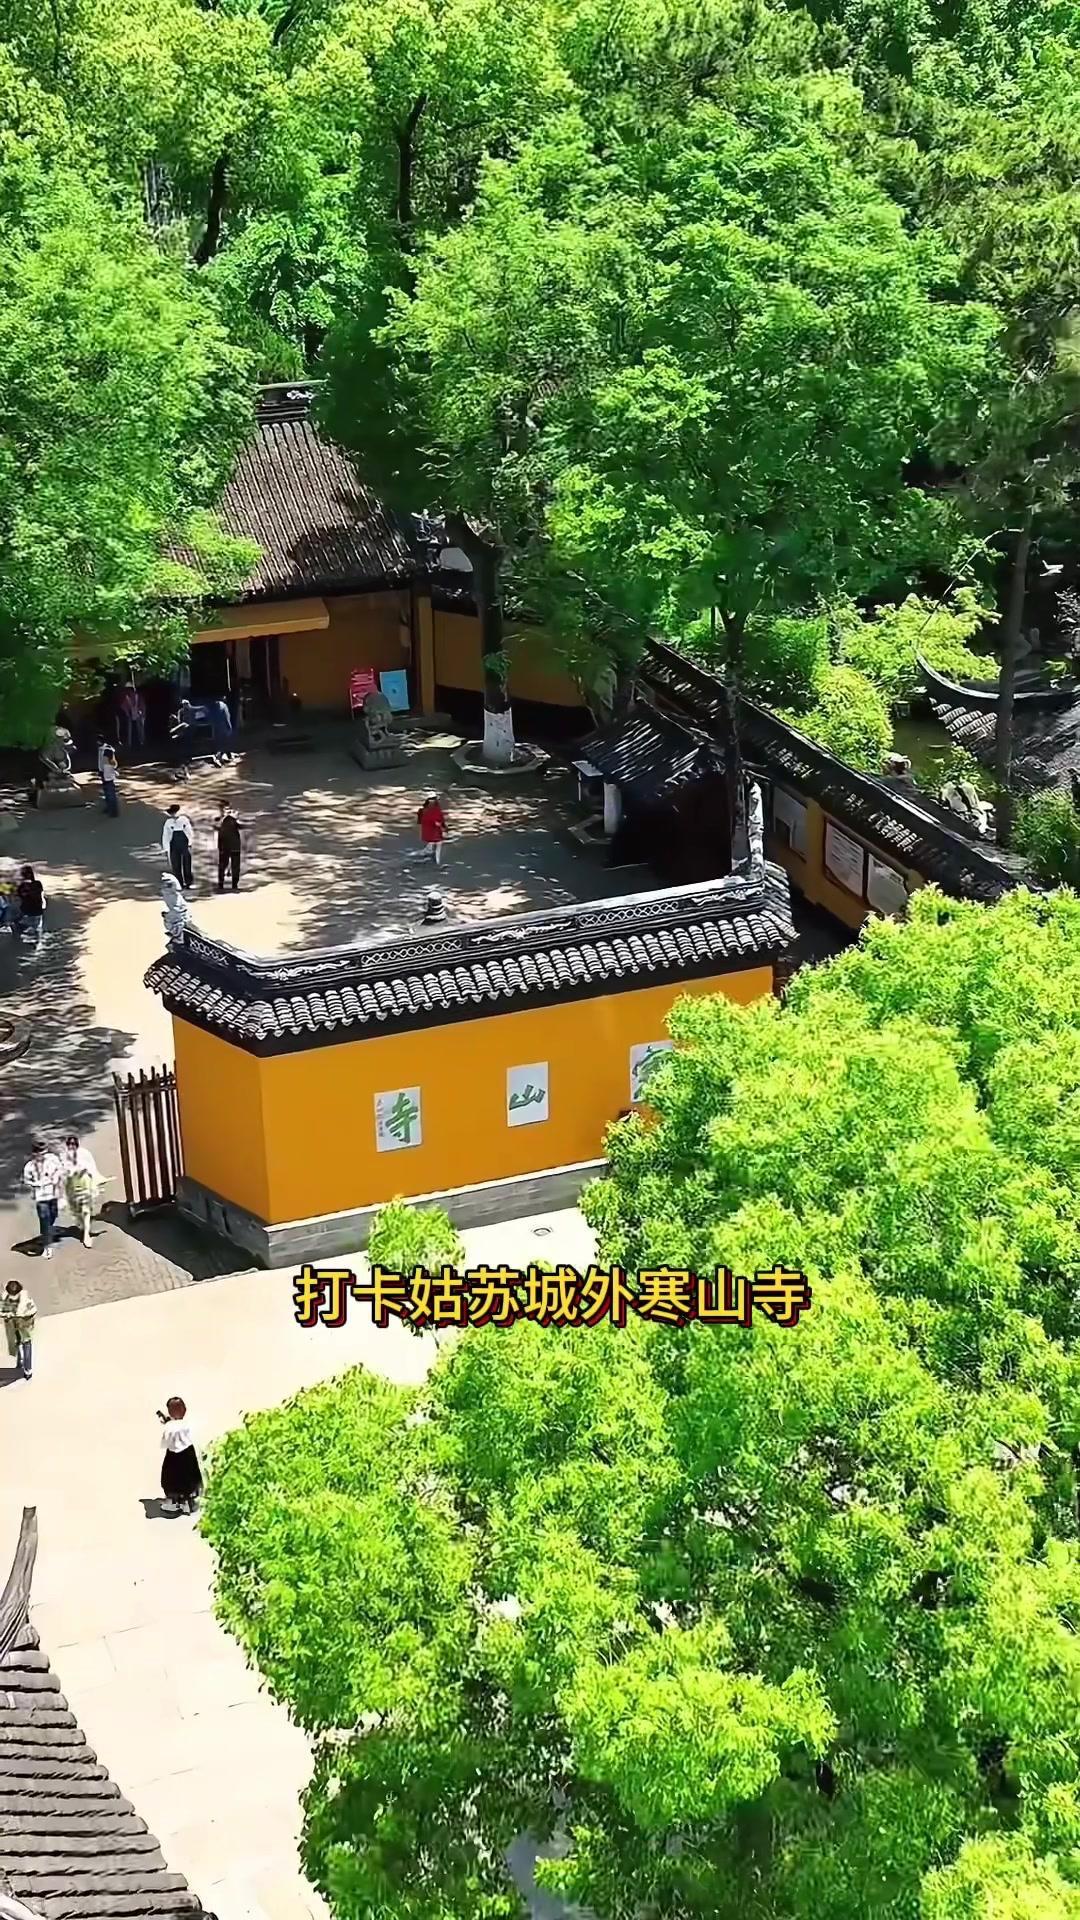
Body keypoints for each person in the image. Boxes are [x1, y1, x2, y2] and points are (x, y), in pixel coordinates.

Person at [157, 1397, 202, 1514]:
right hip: (187, 1453)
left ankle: (174, 1502)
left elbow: (166, 1441)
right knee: (189, 1476)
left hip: (173, 1456)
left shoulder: (169, 1427)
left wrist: (169, 1424)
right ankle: (189, 1502)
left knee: (171, 1478)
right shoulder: (187, 1424)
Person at [23, 1138, 63, 1258]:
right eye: (40, 1154)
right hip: (41, 1197)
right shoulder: (29, 1167)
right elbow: (26, 1180)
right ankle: (47, 1245)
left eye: (44, 1153)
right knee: (44, 1219)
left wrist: (55, 1178)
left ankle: (48, 1231)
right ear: (34, 1153)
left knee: (53, 1215)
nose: (43, 1156)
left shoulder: (52, 1160)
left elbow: (60, 1169)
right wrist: (36, 1184)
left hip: (53, 1194)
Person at [63, 1135, 104, 1248]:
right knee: (76, 1210)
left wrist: (97, 1180)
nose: (71, 1146)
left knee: (86, 1210)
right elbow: (62, 1173)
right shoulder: (64, 1157)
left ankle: (86, 1235)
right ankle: (82, 1224)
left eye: (73, 1144)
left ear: (77, 1145)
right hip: (71, 1187)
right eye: (69, 1144)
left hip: (85, 1184)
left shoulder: (85, 1154)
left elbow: (92, 1168)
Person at [2, 1281, 36, 1380]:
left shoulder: (26, 1299)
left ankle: (28, 1369)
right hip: (13, 1327)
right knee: (16, 1344)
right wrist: (7, 1315)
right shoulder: (5, 1299)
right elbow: (1, 1310)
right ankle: (20, 1362)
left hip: (24, 1327)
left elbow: (33, 1310)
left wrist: (22, 1315)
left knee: (26, 1345)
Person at [162, 804, 195, 889]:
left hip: (184, 844)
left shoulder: (184, 820)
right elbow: (166, 835)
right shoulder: (168, 822)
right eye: (171, 813)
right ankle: (179, 883)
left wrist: (190, 843)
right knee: (176, 865)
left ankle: (189, 882)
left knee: (187, 863)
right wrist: (166, 848)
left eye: (174, 813)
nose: (173, 815)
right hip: (174, 845)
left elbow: (189, 831)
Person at [13, 866, 46, 944]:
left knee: (15, 922)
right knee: (37, 927)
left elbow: (18, 899)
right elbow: (42, 896)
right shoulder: (38, 884)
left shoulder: (22, 886)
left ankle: (19, 939)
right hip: (39, 911)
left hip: (27, 912)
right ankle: (38, 941)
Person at [215, 804, 242, 892]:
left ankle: (235, 884)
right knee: (222, 866)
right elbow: (216, 826)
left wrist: (236, 818)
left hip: (234, 846)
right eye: (225, 809)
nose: (227, 811)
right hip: (224, 847)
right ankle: (220, 884)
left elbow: (241, 826)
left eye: (229, 809)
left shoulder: (234, 820)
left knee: (235, 866)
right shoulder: (219, 820)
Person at [416, 794, 447, 866]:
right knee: (439, 844)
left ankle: (429, 850)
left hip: (426, 832)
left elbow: (419, 822)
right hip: (435, 832)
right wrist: (444, 829)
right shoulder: (436, 810)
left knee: (431, 841)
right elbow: (439, 822)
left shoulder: (422, 810)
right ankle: (437, 861)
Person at [160, 871, 190, 941]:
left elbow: (179, 910)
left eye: (168, 885)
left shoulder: (176, 897)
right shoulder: (169, 895)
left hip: (181, 920)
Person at [169, 701, 193, 782]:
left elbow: (185, 725)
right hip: (179, 740)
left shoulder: (188, 715)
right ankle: (180, 773)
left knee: (184, 758)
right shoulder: (176, 715)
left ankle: (185, 773)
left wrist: (175, 731)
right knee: (179, 758)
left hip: (185, 740)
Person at [210, 697, 235, 765]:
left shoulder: (213, 706)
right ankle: (223, 756)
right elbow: (227, 717)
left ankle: (224, 755)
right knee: (226, 741)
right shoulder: (223, 706)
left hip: (216, 727)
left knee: (220, 742)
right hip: (223, 726)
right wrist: (229, 727)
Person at [101, 746, 120, 817]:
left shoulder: (107, 763)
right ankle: (112, 810)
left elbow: (104, 770)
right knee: (110, 796)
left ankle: (113, 811)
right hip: (109, 780)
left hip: (108, 780)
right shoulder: (111, 762)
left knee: (111, 796)